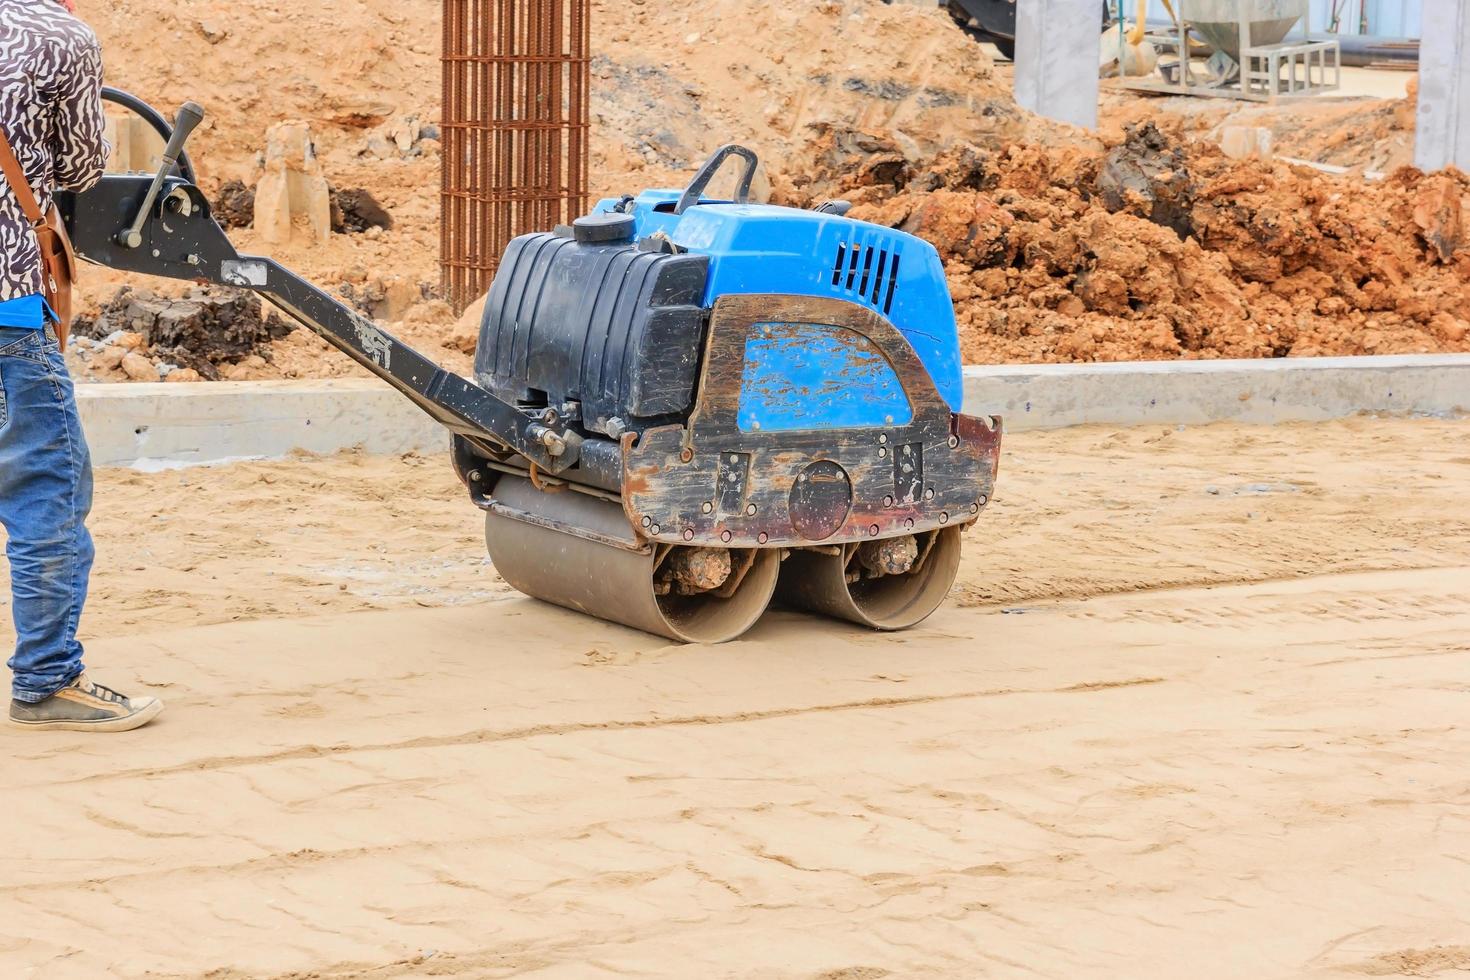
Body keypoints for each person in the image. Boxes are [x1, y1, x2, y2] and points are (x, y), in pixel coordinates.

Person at [1, 0, 162, 731]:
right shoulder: (56, 35)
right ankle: (46, 681)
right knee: (47, 493)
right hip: (8, 311)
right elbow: (80, 168)